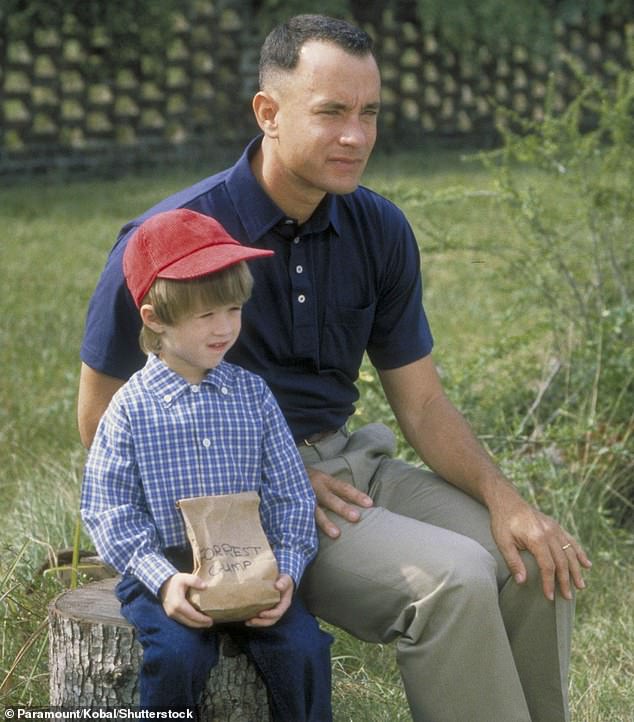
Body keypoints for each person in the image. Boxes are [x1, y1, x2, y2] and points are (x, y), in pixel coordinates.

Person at [78, 14, 592, 722]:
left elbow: (423, 406)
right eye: (331, 113)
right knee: (454, 578)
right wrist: (264, 478)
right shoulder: (170, 240)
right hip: (250, 505)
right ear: (269, 113)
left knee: (534, 559)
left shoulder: (378, 228)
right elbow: (99, 419)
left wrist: (509, 503)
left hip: (358, 468)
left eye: (369, 113)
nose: (356, 136)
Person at [80, 208, 333, 720]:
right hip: (166, 567)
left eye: (234, 309)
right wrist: (164, 580)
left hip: (249, 559)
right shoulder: (130, 409)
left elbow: (289, 492)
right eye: (205, 316)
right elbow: (109, 511)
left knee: (304, 649)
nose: (225, 328)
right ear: (155, 319)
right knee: (176, 656)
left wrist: (286, 569)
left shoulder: (252, 396)